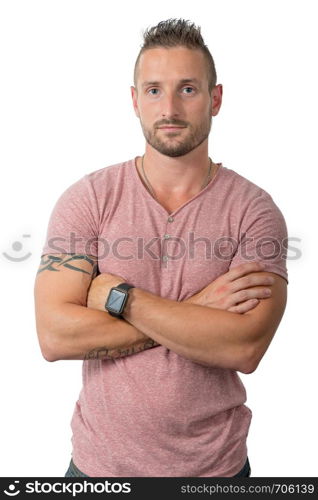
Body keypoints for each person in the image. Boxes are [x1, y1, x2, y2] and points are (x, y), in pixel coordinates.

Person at [34, 18, 288, 478]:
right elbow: (55, 336)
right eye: (153, 90)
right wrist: (198, 310)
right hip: (99, 470)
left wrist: (117, 296)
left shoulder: (254, 211)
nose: (169, 107)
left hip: (216, 471)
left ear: (216, 99)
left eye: (187, 89)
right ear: (134, 100)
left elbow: (245, 347)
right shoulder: (90, 198)